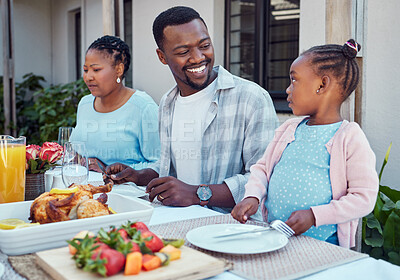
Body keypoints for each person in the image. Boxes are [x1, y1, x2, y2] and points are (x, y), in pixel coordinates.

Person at [105, 6, 278, 212]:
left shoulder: (251, 98)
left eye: (204, 45)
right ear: (162, 57)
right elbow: (174, 168)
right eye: (183, 52)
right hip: (179, 221)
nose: (197, 58)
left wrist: (198, 194)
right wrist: (139, 176)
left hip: (231, 229)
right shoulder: (167, 103)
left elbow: (266, 177)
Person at [231, 39, 379, 248]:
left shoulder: (349, 137)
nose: (288, 89)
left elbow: (363, 197)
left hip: (322, 246)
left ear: (322, 84)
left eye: (294, 80)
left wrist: (314, 215)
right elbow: (262, 170)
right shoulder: (289, 129)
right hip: (275, 239)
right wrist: (252, 197)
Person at [69, 35, 160, 172]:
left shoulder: (143, 107)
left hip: (128, 191)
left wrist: (109, 169)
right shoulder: (85, 104)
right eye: (86, 70)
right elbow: (76, 150)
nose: (88, 77)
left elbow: (160, 164)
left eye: (96, 70)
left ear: (119, 70)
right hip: (85, 189)